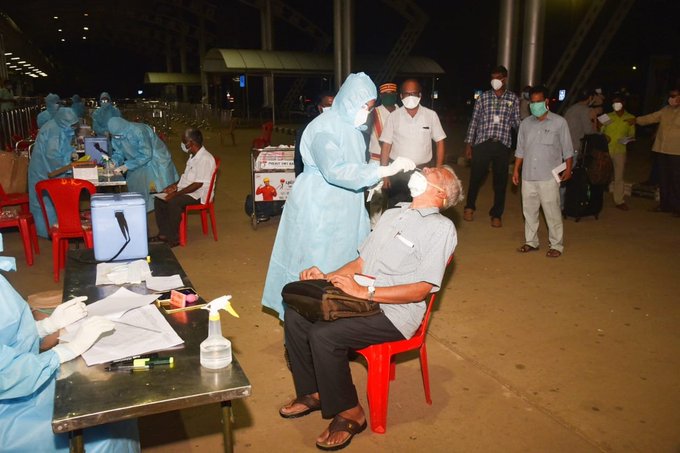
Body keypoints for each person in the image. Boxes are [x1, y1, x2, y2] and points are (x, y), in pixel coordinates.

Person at [279, 166, 462, 451]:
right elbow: (361, 264)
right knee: (295, 315)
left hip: (396, 313)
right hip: (362, 296)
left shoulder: (440, 229)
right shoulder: (392, 214)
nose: (425, 169)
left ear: (440, 194)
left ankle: (351, 411)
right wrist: (326, 277)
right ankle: (312, 391)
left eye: (434, 171)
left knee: (324, 335)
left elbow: (421, 289)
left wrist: (367, 292)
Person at [261, 72, 416, 320]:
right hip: (320, 204)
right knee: (316, 261)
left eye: (369, 108)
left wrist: (370, 181)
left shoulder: (352, 126)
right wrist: (383, 170)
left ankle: (339, 312)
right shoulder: (324, 129)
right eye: (364, 107)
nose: (366, 113)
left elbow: (355, 164)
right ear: (349, 100)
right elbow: (335, 170)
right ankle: (305, 317)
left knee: (348, 257)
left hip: (347, 204)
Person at [0, 234, 140, 452]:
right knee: (102, 437)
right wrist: (68, 350)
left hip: (29, 382)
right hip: (10, 413)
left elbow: (9, 340)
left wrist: (47, 326)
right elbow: (6, 376)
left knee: (118, 402)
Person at [513, 86, 574, 258]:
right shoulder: (525, 124)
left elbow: (568, 149)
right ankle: (531, 242)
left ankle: (556, 245)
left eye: (538, 101)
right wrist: (516, 170)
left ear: (546, 102)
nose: (535, 105)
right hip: (528, 176)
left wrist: (568, 169)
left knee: (552, 211)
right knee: (529, 211)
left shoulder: (559, 122)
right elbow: (520, 150)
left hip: (548, 176)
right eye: (532, 102)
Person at [462, 65, 520, 228]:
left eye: (498, 77)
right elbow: (474, 121)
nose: (495, 81)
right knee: (476, 178)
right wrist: (469, 144)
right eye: (492, 77)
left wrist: (525, 136)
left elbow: (517, 123)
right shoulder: (483, 97)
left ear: (505, 79)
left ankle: (496, 214)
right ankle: (469, 207)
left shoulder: (513, 99)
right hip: (482, 143)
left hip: (502, 145)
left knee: (500, 182)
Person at [380, 78, 446, 208]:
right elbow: (386, 146)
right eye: (406, 93)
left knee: (422, 206)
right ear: (401, 96)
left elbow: (440, 142)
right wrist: (385, 174)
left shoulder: (431, 115)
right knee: (397, 208)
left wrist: (438, 170)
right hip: (398, 173)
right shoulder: (393, 117)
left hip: (423, 171)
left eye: (414, 93)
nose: (410, 97)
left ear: (420, 95)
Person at [149, 128, 215, 247]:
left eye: (184, 141)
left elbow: (198, 184)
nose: (183, 144)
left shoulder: (205, 158)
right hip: (189, 190)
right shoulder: (193, 156)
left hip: (199, 194)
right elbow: (186, 177)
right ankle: (163, 234)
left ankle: (174, 238)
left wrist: (175, 194)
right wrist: (174, 186)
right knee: (159, 199)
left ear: (191, 143)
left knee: (173, 202)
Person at [108, 117, 179, 212]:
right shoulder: (117, 135)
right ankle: (141, 215)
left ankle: (167, 218)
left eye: (120, 135)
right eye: (115, 136)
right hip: (136, 163)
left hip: (156, 162)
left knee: (162, 192)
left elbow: (146, 154)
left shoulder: (139, 131)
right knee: (138, 193)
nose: (118, 138)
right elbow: (119, 151)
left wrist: (127, 166)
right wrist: (114, 162)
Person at [28, 107, 80, 238]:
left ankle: (54, 232)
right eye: (71, 125)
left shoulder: (58, 127)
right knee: (45, 204)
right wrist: (67, 168)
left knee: (50, 202)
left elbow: (62, 148)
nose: (72, 129)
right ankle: (49, 233)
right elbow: (53, 156)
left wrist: (70, 153)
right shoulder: (54, 131)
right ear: (64, 122)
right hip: (44, 171)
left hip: (48, 170)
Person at [636, 87, 680, 216]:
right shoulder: (665, 110)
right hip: (661, 149)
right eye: (671, 96)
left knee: (676, 180)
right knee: (664, 179)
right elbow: (651, 118)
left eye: (675, 96)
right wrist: (636, 120)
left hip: (676, 151)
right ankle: (664, 205)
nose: (672, 99)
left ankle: (677, 207)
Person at [367, 82, 398, 227]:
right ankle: (375, 227)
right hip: (377, 160)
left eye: (392, 94)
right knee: (377, 197)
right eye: (386, 95)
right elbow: (383, 140)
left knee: (395, 196)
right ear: (381, 96)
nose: (389, 97)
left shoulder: (401, 111)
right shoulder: (375, 113)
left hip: (396, 161)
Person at [601, 94, 636, 210]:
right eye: (613, 102)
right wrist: (604, 136)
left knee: (619, 176)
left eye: (618, 102)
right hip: (606, 150)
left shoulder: (630, 118)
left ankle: (619, 201)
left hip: (620, 150)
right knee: (601, 175)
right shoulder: (606, 117)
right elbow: (599, 132)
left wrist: (626, 140)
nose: (615, 104)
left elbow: (632, 136)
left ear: (623, 103)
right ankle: (597, 198)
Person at [563, 88, 596, 209]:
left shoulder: (571, 108)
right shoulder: (586, 110)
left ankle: (561, 204)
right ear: (590, 98)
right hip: (575, 147)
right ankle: (563, 205)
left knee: (562, 175)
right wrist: (594, 120)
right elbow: (589, 131)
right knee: (567, 177)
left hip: (564, 146)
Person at [294, 91, 335, 176]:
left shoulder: (344, 129)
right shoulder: (308, 129)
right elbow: (298, 160)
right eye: (328, 106)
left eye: (334, 106)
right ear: (320, 108)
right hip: (315, 180)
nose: (331, 109)